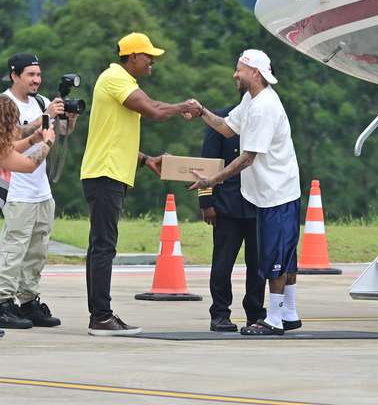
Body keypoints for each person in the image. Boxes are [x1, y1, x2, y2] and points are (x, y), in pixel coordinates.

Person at [80, 32, 199, 336]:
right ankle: (101, 317)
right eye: (148, 57)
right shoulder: (115, 77)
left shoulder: (122, 81)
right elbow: (155, 110)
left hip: (109, 173)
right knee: (103, 247)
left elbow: (117, 136)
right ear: (132, 57)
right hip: (105, 175)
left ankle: (101, 314)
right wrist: (182, 107)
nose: (152, 63)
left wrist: (146, 159)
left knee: (100, 246)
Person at [187, 49, 302, 336]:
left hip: (277, 193)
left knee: (275, 257)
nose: (234, 74)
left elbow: (248, 157)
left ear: (256, 73)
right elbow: (226, 128)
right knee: (278, 254)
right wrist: (202, 112)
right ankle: (288, 313)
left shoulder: (264, 106)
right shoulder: (251, 101)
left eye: (239, 69)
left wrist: (210, 181)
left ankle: (275, 318)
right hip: (265, 194)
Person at [0, 53, 76, 331]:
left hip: (41, 189)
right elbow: (7, 140)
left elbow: (62, 131)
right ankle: (3, 301)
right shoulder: (6, 103)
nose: (36, 80)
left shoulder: (42, 101)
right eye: (30, 75)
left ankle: (29, 300)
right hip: (17, 189)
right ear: (14, 75)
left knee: (37, 249)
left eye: (39, 75)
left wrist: (68, 116)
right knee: (14, 248)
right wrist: (41, 122)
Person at [199, 99, 266, 332]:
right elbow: (207, 164)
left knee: (258, 264)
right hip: (228, 204)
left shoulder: (266, 118)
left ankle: (256, 312)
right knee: (223, 263)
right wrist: (206, 202)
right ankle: (219, 313)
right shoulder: (222, 118)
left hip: (258, 203)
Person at [0, 91, 56, 331]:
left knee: (34, 248)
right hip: (18, 198)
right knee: (14, 248)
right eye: (14, 124)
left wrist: (34, 139)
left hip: (36, 195)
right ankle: (3, 306)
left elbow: (13, 146)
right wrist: (48, 142)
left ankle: (23, 302)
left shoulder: (5, 143)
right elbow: (28, 164)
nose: (17, 130)